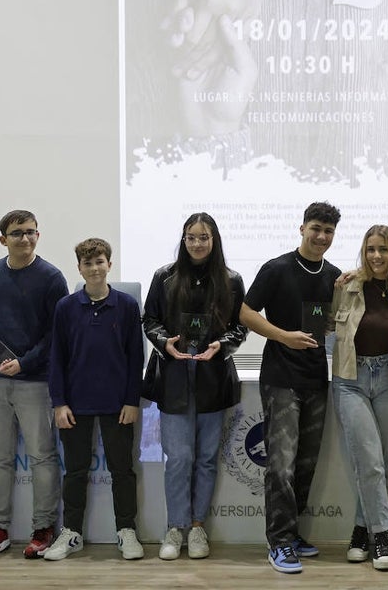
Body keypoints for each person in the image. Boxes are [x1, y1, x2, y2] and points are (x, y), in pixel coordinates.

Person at [239, 202, 343, 574]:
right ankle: (279, 543)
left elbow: (329, 322)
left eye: (328, 231)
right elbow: (246, 313)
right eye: (315, 228)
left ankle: (292, 533)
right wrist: (284, 336)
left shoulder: (334, 275)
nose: (321, 236)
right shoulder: (277, 268)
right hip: (281, 378)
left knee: (305, 464)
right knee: (280, 466)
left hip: (317, 378)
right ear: (301, 228)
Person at [142, 213, 247, 561]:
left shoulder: (231, 280)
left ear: (214, 240)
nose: (197, 243)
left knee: (205, 459)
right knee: (179, 459)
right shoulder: (165, 276)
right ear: (183, 240)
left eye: (203, 237)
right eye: (191, 237)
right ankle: (175, 527)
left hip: (212, 376)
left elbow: (239, 327)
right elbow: (150, 319)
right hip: (174, 375)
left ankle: (198, 527)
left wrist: (223, 346)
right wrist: (164, 342)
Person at [0, 210, 68, 560]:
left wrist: (24, 362)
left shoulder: (52, 277)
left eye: (31, 232)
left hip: (35, 382)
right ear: (2, 239)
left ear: (38, 236)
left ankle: (43, 528)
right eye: (17, 233)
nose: (25, 238)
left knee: (42, 457)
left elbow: (57, 334)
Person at [44, 238, 145, 561]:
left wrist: (132, 401)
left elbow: (135, 358)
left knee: (122, 470)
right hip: (75, 404)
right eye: (87, 264)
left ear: (109, 265)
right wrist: (59, 403)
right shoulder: (66, 308)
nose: (94, 268)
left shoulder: (127, 306)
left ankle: (126, 531)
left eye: (99, 262)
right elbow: (56, 359)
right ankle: (71, 532)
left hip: (118, 405)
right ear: (80, 269)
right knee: (74, 471)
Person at [331, 225, 388, 571]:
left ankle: (359, 530)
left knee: (377, 463)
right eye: (370, 249)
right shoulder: (348, 285)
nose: (376, 256)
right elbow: (325, 324)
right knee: (370, 461)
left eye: (383, 249)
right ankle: (383, 536)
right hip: (350, 380)